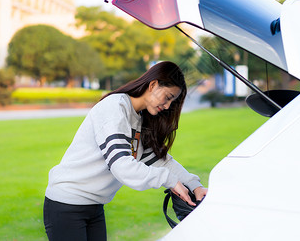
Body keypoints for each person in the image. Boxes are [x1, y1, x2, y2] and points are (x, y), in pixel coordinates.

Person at [43, 61, 208, 241]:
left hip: (95, 206)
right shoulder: (114, 107)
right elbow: (121, 166)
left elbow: (160, 160)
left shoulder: (140, 119)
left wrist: (195, 186)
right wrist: (169, 181)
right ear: (153, 85)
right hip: (67, 204)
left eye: (172, 101)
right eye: (167, 97)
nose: (168, 106)